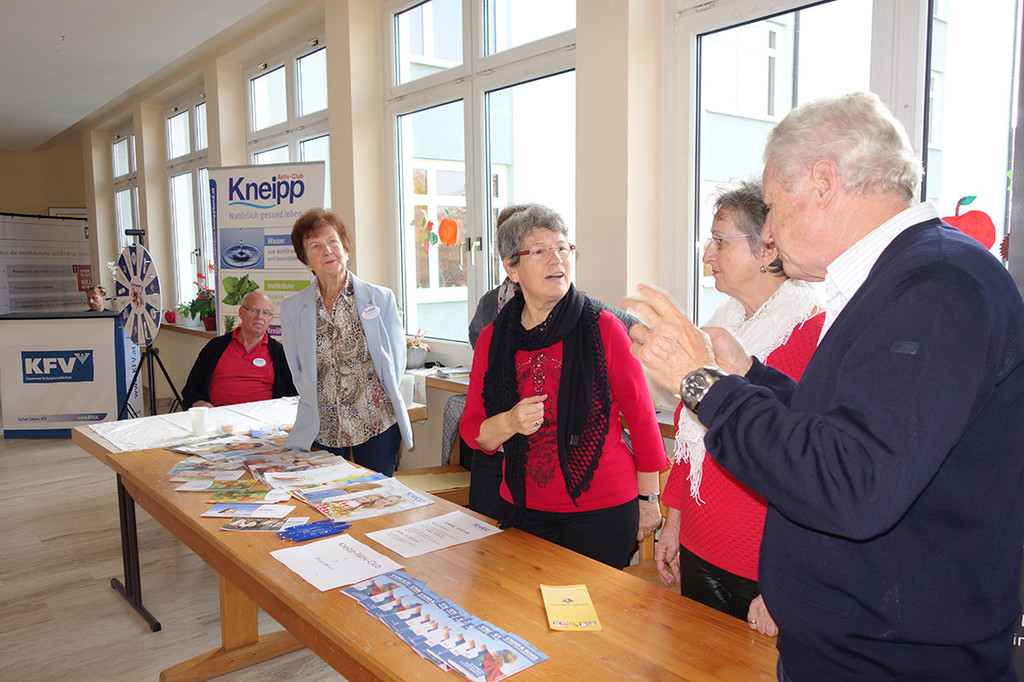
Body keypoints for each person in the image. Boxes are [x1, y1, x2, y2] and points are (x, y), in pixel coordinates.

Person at [624, 91, 1024, 681]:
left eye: (771, 204)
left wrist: (700, 382)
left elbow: (852, 482)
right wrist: (748, 375)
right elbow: (842, 433)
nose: (770, 232)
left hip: (898, 663)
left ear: (822, 182)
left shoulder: (936, 286)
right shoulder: (901, 277)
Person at [459, 203, 668, 569]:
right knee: (527, 612)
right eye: (539, 251)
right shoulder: (494, 339)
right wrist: (509, 422)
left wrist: (649, 500)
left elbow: (642, 418)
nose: (556, 259)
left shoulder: (603, 327)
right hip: (523, 507)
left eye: (562, 247)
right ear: (511, 267)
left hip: (602, 510)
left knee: (591, 618)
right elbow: (475, 432)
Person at [656, 180, 823, 629]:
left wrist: (789, 581)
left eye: (719, 241)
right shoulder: (718, 326)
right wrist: (673, 523)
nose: (707, 255)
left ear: (767, 249)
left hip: (763, 565)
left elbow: (813, 473)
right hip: (698, 541)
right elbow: (689, 436)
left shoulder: (813, 335)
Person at [282, 207, 412, 476]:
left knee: (376, 500)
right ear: (306, 260)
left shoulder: (381, 298)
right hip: (323, 427)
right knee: (326, 499)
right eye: (315, 246)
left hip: (376, 423)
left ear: (346, 250)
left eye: (333, 242)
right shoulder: (293, 308)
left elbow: (396, 361)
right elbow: (297, 370)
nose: (327, 251)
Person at [181, 291, 296, 409]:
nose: (260, 317)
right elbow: (191, 389)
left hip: (263, 420)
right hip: (219, 418)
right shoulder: (216, 347)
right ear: (241, 313)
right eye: (254, 310)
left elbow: (292, 393)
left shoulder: (278, 352)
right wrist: (200, 403)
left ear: (270, 319)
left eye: (266, 313)